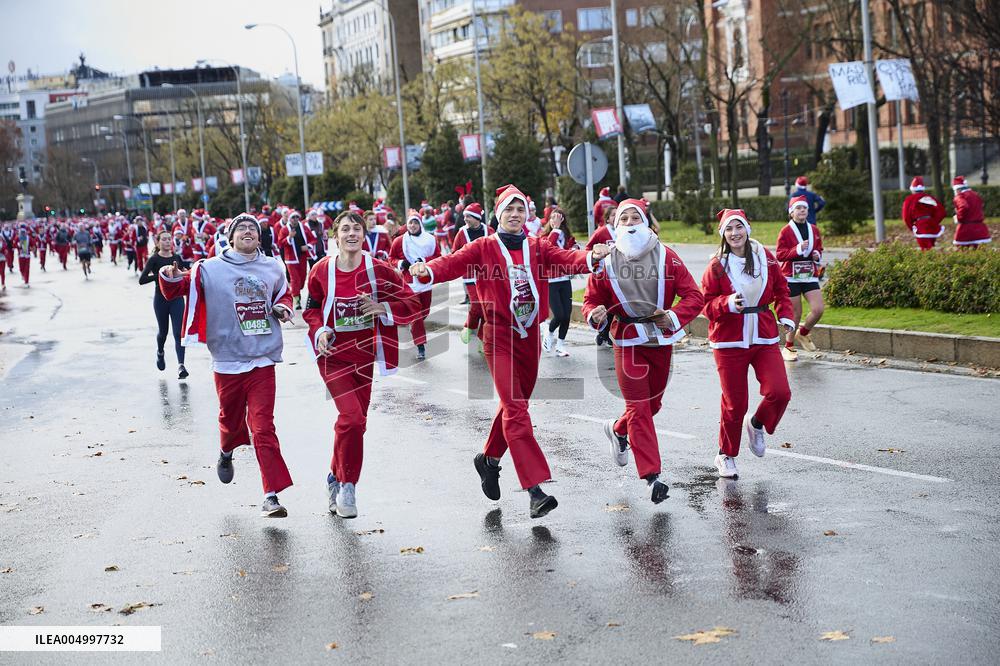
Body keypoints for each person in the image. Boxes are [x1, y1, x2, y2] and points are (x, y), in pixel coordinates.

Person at [409, 185, 610, 518]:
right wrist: (426, 271)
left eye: (520, 210)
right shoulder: (485, 247)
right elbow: (453, 262)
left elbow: (567, 259)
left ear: (526, 216)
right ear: (498, 214)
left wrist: (591, 257)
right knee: (516, 409)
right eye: (509, 210)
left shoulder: (537, 247)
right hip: (498, 335)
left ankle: (488, 459)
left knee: (515, 405)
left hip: (529, 334)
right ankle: (535, 489)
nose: (515, 215)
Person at [158, 213, 295, 517]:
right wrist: (169, 274)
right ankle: (226, 451)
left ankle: (271, 495)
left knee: (262, 427)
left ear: (259, 238)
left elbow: (285, 295)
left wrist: (283, 308)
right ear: (231, 237)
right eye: (241, 228)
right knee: (231, 421)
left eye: (253, 229)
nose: (248, 232)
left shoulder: (273, 267)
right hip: (227, 360)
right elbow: (176, 290)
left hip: (262, 358)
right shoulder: (210, 269)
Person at [581, 199, 704, 503]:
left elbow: (694, 296)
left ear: (646, 221)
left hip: (660, 340)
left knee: (652, 406)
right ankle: (653, 477)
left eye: (637, 216)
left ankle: (618, 429)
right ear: (616, 225)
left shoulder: (667, 257)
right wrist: (594, 314)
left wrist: (672, 317)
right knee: (639, 407)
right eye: (625, 218)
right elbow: (590, 300)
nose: (631, 222)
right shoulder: (605, 263)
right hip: (626, 340)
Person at [303, 211, 421, 519]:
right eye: (345, 229)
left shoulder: (379, 271)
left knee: (355, 425)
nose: (352, 233)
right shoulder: (321, 271)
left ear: (363, 234)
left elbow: (412, 302)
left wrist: (383, 306)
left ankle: (333, 475)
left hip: (364, 357)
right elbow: (311, 308)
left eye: (357, 228)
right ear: (335, 236)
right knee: (351, 418)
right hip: (332, 356)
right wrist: (319, 331)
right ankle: (348, 487)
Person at [701, 209, 794, 480]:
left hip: (763, 336)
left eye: (738, 227)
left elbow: (781, 290)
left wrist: (785, 313)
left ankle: (757, 424)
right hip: (729, 341)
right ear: (723, 234)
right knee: (735, 404)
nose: (734, 233)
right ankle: (725, 454)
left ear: (747, 229)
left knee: (780, 392)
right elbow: (705, 305)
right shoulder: (716, 266)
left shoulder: (765, 257)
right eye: (729, 229)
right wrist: (726, 303)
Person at [775, 196, 825, 361]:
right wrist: (796, 249)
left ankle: (803, 333)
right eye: (798, 208)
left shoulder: (814, 230)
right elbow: (780, 255)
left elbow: (819, 249)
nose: (802, 210)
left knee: (818, 309)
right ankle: (788, 347)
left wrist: (817, 255)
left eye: (804, 208)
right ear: (791, 212)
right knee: (795, 314)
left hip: (809, 274)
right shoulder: (786, 231)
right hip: (791, 277)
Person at [389, 211, 441, 360]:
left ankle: (415, 326)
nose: (412, 225)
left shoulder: (430, 239)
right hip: (409, 283)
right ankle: (421, 346)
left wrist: (424, 259)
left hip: (425, 281)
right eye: (410, 223)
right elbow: (391, 258)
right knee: (417, 315)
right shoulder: (400, 241)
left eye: (415, 223)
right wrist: (400, 263)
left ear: (420, 224)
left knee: (424, 313)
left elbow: (439, 257)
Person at [139, 230, 189, 379]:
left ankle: (181, 365)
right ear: (158, 242)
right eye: (164, 239)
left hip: (177, 299)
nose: (167, 242)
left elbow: (186, 272)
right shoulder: (154, 259)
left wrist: (183, 273)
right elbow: (142, 280)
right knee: (163, 332)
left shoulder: (176, 257)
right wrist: (162, 274)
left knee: (178, 333)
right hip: (161, 300)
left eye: (169, 239)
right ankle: (160, 352)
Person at [451, 203, 493, 344]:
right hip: (470, 277)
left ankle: (483, 339)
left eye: (468, 216)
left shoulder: (490, 231)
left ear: (476, 217)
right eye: (464, 216)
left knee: (487, 308)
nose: (465, 219)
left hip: (488, 276)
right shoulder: (462, 233)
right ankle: (468, 327)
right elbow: (454, 254)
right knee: (476, 305)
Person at [540, 207, 577, 358]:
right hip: (551, 281)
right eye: (553, 218)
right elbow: (546, 249)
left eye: (559, 218)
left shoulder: (567, 236)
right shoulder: (545, 237)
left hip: (565, 279)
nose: (556, 220)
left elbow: (571, 252)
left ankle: (561, 345)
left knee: (567, 315)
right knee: (559, 314)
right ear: (549, 220)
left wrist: (574, 248)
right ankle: (549, 332)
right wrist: (554, 229)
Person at [277, 211, 315, 309]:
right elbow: (280, 243)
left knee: (302, 279)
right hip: (291, 259)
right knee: (295, 279)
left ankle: (297, 291)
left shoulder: (304, 228)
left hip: (302, 257)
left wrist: (308, 246)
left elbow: (313, 239)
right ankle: (297, 300)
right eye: (293, 217)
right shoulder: (284, 230)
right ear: (289, 218)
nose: (295, 219)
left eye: (297, 217)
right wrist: (289, 237)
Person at [902, 176, 946, 250]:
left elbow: (906, 217)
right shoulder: (930, 197)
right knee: (931, 247)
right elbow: (942, 212)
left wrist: (912, 227)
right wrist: (934, 222)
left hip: (920, 226)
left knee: (925, 250)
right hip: (932, 225)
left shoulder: (909, 199)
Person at [951, 176, 992, 249]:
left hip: (966, 228)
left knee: (962, 251)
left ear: (957, 189)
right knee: (979, 252)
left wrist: (958, 217)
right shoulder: (975, 195)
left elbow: (963, 207)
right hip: (980, 227)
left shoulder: (960, 196)